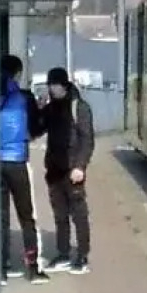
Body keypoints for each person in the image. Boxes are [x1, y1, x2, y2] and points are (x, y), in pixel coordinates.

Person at [0, 53, 49, 284]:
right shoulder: (24, 97)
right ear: (18, 73)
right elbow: (36, 128)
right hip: (17, 161)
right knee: (27, 217)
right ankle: (32, 267)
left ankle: (0, 269)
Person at [40, 67, 96, 275]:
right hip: (54, 170)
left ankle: (82, 256)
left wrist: (80, 166)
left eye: (54, 85)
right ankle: (63, 253)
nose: (51, 89)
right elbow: (38, 128)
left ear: (63, 85)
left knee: (79, 214)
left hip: (73, 170)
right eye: (49, 85)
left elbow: (87, 139)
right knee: (60, 214)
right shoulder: (51, 108)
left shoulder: (79, 107)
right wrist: (38, 109)